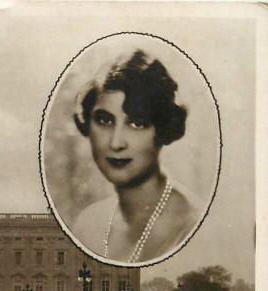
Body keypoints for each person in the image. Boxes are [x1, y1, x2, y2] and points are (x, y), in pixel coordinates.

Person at [70, 49, 202, 263]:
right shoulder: (88, 223)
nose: (116, 142)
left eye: (137, 123)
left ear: (163, 130)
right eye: (104, 120)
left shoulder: (190, 224)